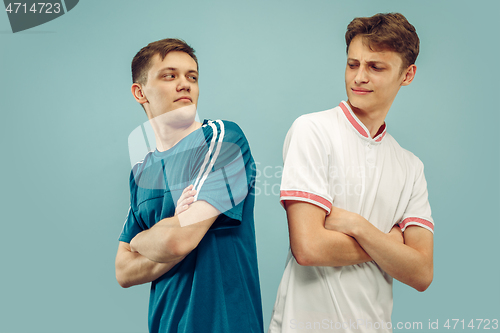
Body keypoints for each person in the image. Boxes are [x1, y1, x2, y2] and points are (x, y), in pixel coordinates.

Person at [268, 13, 434, 333]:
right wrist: (389, 245)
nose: (359, 77)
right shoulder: (313, 131)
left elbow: (422, 272)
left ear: (407, 74)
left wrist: (358, 226)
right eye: (353, 64)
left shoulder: (410, 166)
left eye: (375, 67)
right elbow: (309, 247)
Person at [115, 38, 264, 333]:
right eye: (170, 76)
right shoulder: (141, 172)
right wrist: (175, 226)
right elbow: (124, 270)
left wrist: (140, 241)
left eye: (191, 76)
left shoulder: (222, 139)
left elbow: (177, 242)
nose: (185, 84)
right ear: (139, 92)